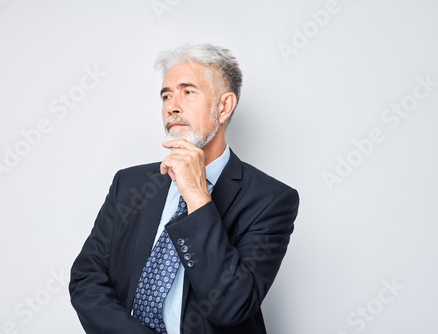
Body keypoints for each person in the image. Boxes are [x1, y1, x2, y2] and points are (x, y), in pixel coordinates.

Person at [69, 43, 299, 334]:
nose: (172, 106)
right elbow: (86, 280)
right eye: (166, 95)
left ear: (224, 106)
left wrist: (198, 197)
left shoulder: (271, 200)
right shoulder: (129, 185)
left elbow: (232, 306)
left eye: (188, 92)